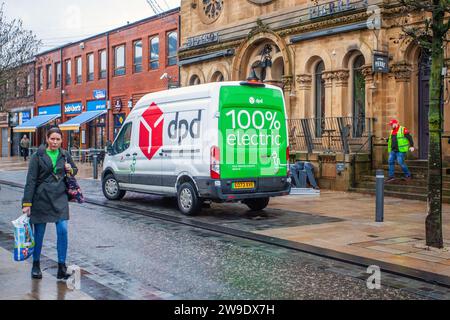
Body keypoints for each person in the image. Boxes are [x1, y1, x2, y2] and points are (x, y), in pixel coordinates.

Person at [21, 127, 78, 280]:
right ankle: (36, 265)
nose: (54, 142)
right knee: (39, 234)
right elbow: (31, 180)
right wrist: (27, 203)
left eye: (57, 139)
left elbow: (75, 170)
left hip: (60, 197)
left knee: (63, 230)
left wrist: (69, 169)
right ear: (47, 139)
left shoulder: (64, 154)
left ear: (61, 140)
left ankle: (61, 267)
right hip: (41, 198)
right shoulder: (37, 156)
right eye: (52, 139)